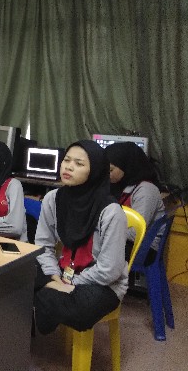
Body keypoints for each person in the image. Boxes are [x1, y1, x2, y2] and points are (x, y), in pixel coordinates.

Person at [33, 140, 127, 335]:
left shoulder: (111, 211)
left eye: (79, 163)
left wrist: (73, 283)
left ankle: (44, 299)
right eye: (66, 160)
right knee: (13, 273)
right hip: (61, 272)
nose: (68, 167)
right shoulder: (53, 199)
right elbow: (43, 245)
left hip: (99, 284)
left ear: (95, 171)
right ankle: (49, 293)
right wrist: (54, 277)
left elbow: (109, 270)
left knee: (83, 306)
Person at [106, 142, 165, 264]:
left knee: (92, 250)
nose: (106, 174)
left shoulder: (146, 190)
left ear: (127, 166)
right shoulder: (119, 185)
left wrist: (103, 231)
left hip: (143, 248)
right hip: (122, 240)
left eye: (111, 169)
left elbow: (135, 233)